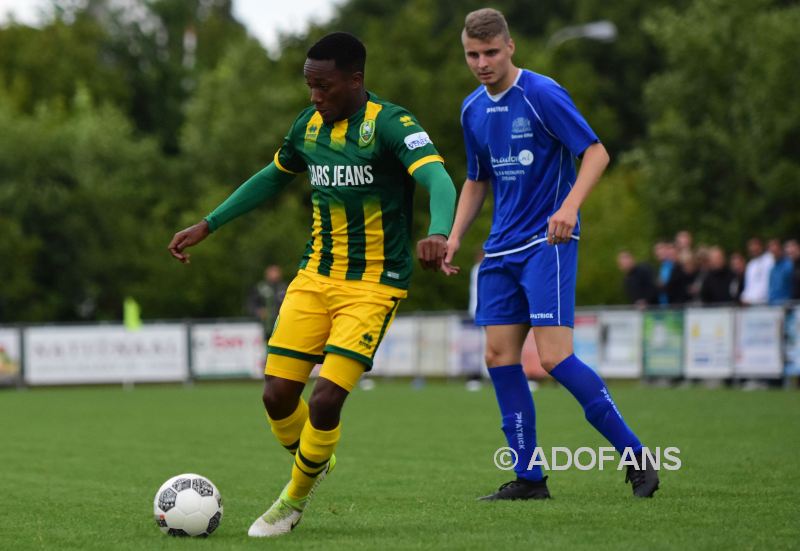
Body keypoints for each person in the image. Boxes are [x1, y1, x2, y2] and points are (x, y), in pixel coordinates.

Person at [168, 32, 456, 537]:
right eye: (309, 86)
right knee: (277, 397)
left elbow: (438, 179)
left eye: (323, 87)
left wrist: (437, 231)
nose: (315, 97)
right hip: (314, 276)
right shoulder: (307, 126)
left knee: (324, 400)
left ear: (355, 80)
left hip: (373, 284)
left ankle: (292, 501)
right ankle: (315, 459)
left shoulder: (391, 124)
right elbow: (272, 177)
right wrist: (208, 224)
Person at [442, 8, 658, 500]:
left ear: (510, 47)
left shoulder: (541, 93)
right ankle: (529, 478)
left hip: (547, 243)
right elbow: (477, 179)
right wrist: (454, 235)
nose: (481, 63)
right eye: (473, 54)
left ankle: (636, 455)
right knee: (499, 356)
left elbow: (597, 152)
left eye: (491, 52)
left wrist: (569, 208)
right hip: (499, 251)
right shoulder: (472, 108)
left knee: (557, 358)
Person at [247, 264, 288, 341]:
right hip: (264, 327)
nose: (274, 274)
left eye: (276, 272)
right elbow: (251, 304)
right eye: (272, 272)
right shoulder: (260, 287)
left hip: (282, 325)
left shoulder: (285, 287)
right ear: (267, 274)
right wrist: (258, 311)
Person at [741, 237, 774, 305]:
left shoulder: (770, 259)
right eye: (751, 247)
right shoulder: (750, 265)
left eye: (755, 245)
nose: (753, 249)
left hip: (767, 302)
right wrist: (744, 298)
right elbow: (748, 286)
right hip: (751, 304)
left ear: (761, 246)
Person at [767, 239, 793, 305]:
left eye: (776, 250)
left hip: (787, 305)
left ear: (780, 249)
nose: (774, 253)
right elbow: (771, 288)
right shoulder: (772, 269)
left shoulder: (789, 265)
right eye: (772, 251)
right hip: (774, 305)